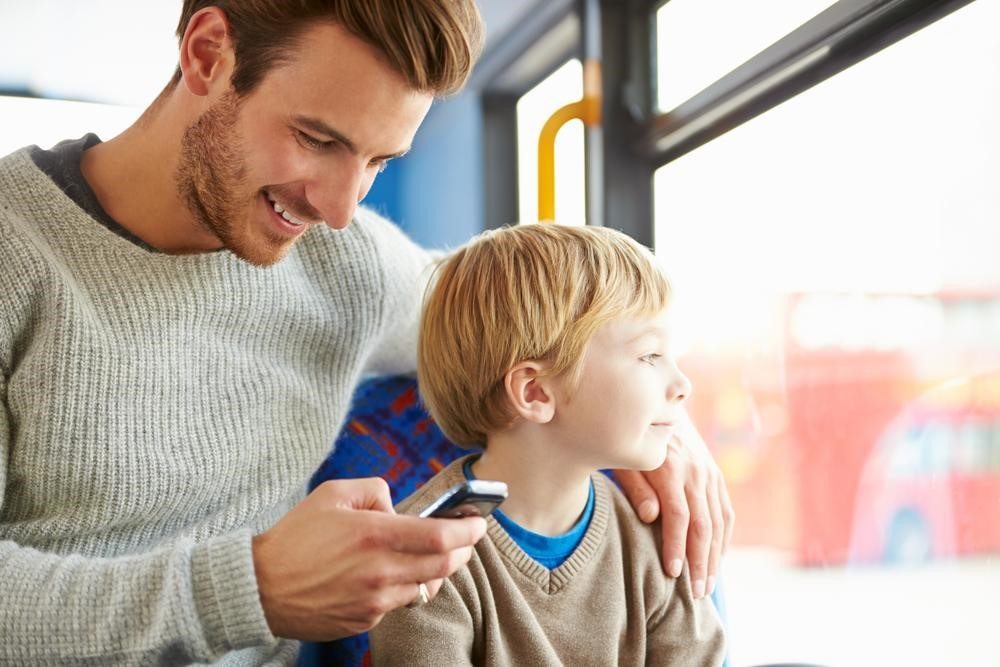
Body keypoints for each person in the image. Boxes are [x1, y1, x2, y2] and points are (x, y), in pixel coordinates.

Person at [0, 1, 732, 664]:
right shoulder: (15, 254)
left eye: (378, 161)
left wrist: (665, 417)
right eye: (318, 139)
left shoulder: (344, 262)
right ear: (208, 53)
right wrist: (248, 587)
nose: (342, 208)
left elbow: (534, 323)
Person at [368, 224, 726, 665]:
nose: (682, 385)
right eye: (650, 356)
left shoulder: (654, 535)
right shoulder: (427, 555)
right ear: (535, 392)